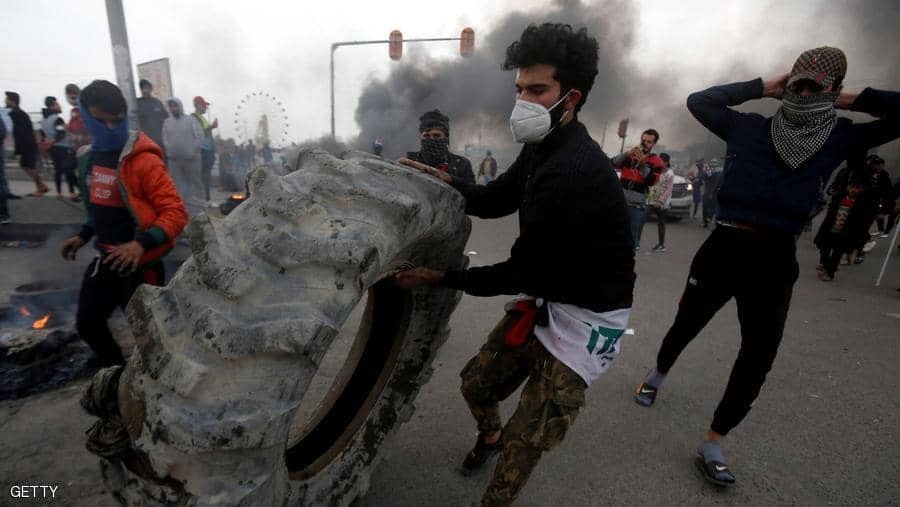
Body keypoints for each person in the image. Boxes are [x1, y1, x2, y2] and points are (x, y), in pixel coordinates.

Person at [633, 46, 900, 487]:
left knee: (759, 354)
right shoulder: (747, 126)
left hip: (776, 257)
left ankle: (714, 439)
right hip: (724, 245)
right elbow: (699, 101)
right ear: (787, 84)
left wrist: (851, 100)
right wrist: (761, 87)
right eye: (798, 84)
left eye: (816, 87)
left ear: (833, 90)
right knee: (686, 323)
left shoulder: (841, 136)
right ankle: (657, 373)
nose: (804, 93)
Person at [396, 23, 635, 506]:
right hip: (549, 290)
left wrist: (441, 277)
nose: (522, 100)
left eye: (537, 89)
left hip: (586, 319)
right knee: (475, 386)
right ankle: (490, 436)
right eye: (519, 88)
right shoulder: (540, 147)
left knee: (524, 445)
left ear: (571, 97)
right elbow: (494, 200)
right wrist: (443, 182)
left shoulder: (573, 171)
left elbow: (519, 273)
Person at [60, 80, 187, 367]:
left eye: (116, 121)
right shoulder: (88, 160)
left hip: (140, 268)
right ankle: (117, 376)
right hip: (106, 260)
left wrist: (140, 245)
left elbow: (176, 212)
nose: (110, 128)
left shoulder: (144, 160)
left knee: (154, 341)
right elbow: (100, 207)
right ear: (86, 117)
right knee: (88, 324)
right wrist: (83, 235)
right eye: (101, 121)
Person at [814, 172, 876, 281]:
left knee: (837, 254)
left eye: (857, 188)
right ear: (848, 187)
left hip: (845, 233)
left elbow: (862, 221)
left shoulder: (861, 204)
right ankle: (825, 266)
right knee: (824, 249)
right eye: (852, 187)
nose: (854, 190)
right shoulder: (840, 198)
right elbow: (830, 215)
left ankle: (830, 273)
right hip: (831, 229)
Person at [613, 129, 665, 250]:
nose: (645, 143)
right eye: (643, 140)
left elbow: (652, 181)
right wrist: (627, 154)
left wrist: (642, 165)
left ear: (654, 144)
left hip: (636, 206)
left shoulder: (656, 161)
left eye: (649, 142)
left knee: (631, 239)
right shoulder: (630, 155)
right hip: (619, 202)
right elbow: (613, 163)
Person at [404, 109, 475, 184]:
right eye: (426, 136)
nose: (431, 139)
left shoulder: (462, 164)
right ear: (421, 137)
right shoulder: (410, 161)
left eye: (436, 135)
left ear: (446, 137)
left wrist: (450, 178)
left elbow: (472, 189)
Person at [162, 97, 204, 214]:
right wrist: (170, 150)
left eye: (175, 106)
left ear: (180, 106)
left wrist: (192, 150)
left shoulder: (191, 120)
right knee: (177, 185)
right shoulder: (167, 122)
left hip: (191, 159)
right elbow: (165, 138)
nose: (173, 108)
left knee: (195, 183)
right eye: (171, 106)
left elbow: (200, 136)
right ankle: (181, 210)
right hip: (174, 160)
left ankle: (200, 210)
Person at [5, 91, 49, 196]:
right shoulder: (19, 113)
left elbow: (20, 133)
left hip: (27, 145)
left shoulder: (15, 114)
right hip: (28, 144)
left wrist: (18, 149)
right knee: (26, 165)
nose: (5, 101)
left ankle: (42, 187)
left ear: (12, 101)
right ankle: (41, 186)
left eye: (7, 99)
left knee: (28, 166)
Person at [39, 96, 79, 200]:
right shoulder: (57, 119)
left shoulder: (44, 120)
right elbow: (61, 133)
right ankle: (72, 193)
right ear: (52, 106)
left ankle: (59, 193)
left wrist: (48, 144)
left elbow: (43, 135)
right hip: (63, 147)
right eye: (57, 104)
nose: (60, 106)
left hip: (52, 149)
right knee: (68, 170)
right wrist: (54, 141)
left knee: (58, 170)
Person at [646, 152, 675, 251]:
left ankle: (661, 245)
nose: (658, 162)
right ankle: (636, 242)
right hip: (651, 200)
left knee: (661, 223)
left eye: (660, 161)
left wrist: (661, 201)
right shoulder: (656, 170)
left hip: (662, 203)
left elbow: (668, 189)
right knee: (642, 219)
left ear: (666, 162)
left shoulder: (670, 174)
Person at [191, 96, 217, 202]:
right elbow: (198, 133)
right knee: (203, 176)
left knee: (206, 176)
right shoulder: (193, 118)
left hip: (208, 151)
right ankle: (204, 200)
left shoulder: (202, 118)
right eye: (204, 105)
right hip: (202, 151)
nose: (206, 107)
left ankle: (206, 199)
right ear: (197, 105)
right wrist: (212, 127)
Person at [136, 79, 169, 150]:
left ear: (151, 89)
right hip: (144, 142)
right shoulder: (137, 103)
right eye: (143, 88)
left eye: (147, 88)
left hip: (159, 141)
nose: (145, 90)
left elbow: (166, 120)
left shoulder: (157, 103)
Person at [64, 83, 91, 152]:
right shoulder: (74, 111)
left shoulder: (86, 109)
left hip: (88, 147)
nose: (71, 99)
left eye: (73, 97)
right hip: (80, 148)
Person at [700, 158, 722, 227]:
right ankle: (707, 219)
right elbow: (702, 178)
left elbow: (702, 178)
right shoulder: (711, 171)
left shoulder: (717, 172)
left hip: (711, 191)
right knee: (709, 207)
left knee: (709, 207)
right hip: (710, 191)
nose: (713, 166)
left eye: (713, 164)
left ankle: (707, 220)